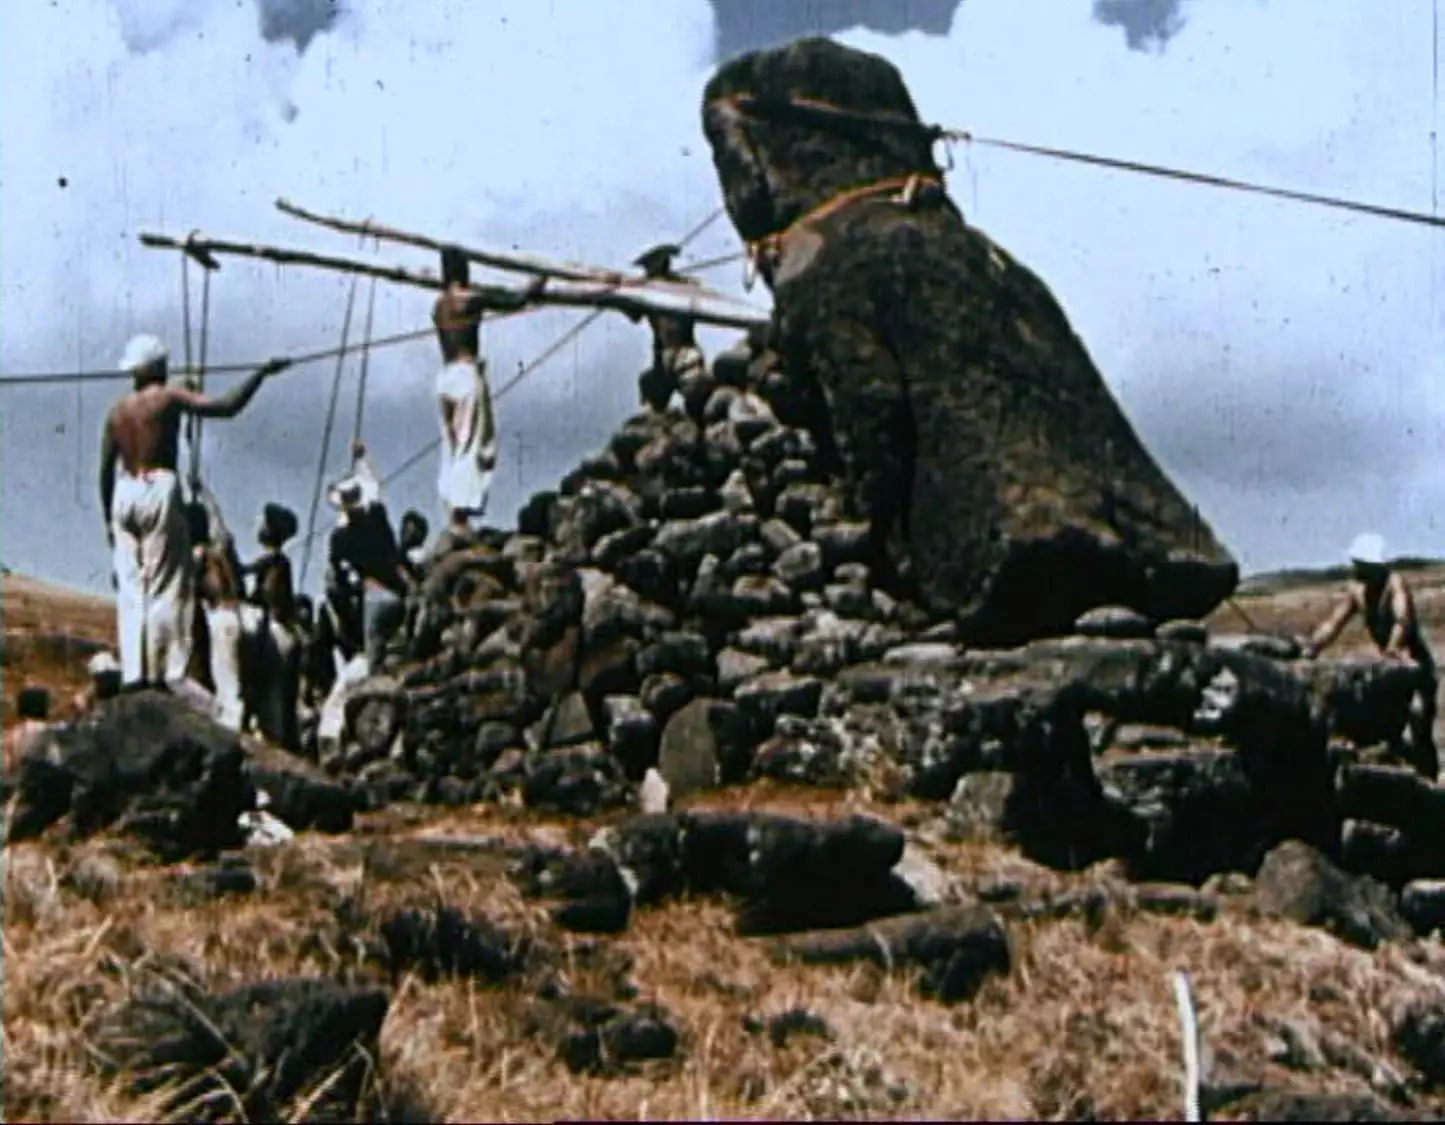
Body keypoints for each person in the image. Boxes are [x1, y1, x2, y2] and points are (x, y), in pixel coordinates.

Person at [99, 333, 288, 690]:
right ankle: (164, 671)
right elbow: (226, 406)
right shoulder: (168, 397)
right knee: (165, 581)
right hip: (158, 484)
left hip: (123, 493)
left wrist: (108, 521)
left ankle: (134, 673)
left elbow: (104, 470)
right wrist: (260, 374)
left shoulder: (116, 413)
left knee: (131, 587)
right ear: (160, 368)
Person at [432, 247, 547, 540]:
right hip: (466, 375)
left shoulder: (439, 304)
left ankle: (454, 511)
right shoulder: (469, 300)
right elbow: (514, 300)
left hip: (445, 378)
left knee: (453, 447)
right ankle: (460, 514)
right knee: (473, 444)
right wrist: (539, 282)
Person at [1305, 531, 1438, 780]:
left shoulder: (1394, 583)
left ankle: (1429, 781)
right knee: (1387, 726)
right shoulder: (1356, 590)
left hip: (1414, 663)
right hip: (1387, 666)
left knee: (1419, 720)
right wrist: (1311, 647)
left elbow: (1402, 619)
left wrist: (1394, 647)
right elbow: (1334, 623)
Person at [627, 242, 707, 417]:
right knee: (650, 389)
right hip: (661, 356)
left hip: (685, 351)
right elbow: (634, 315)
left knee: (696, 393)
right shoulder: (645, 292)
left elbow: (699, 297)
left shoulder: (685, 286)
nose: (647, 272)